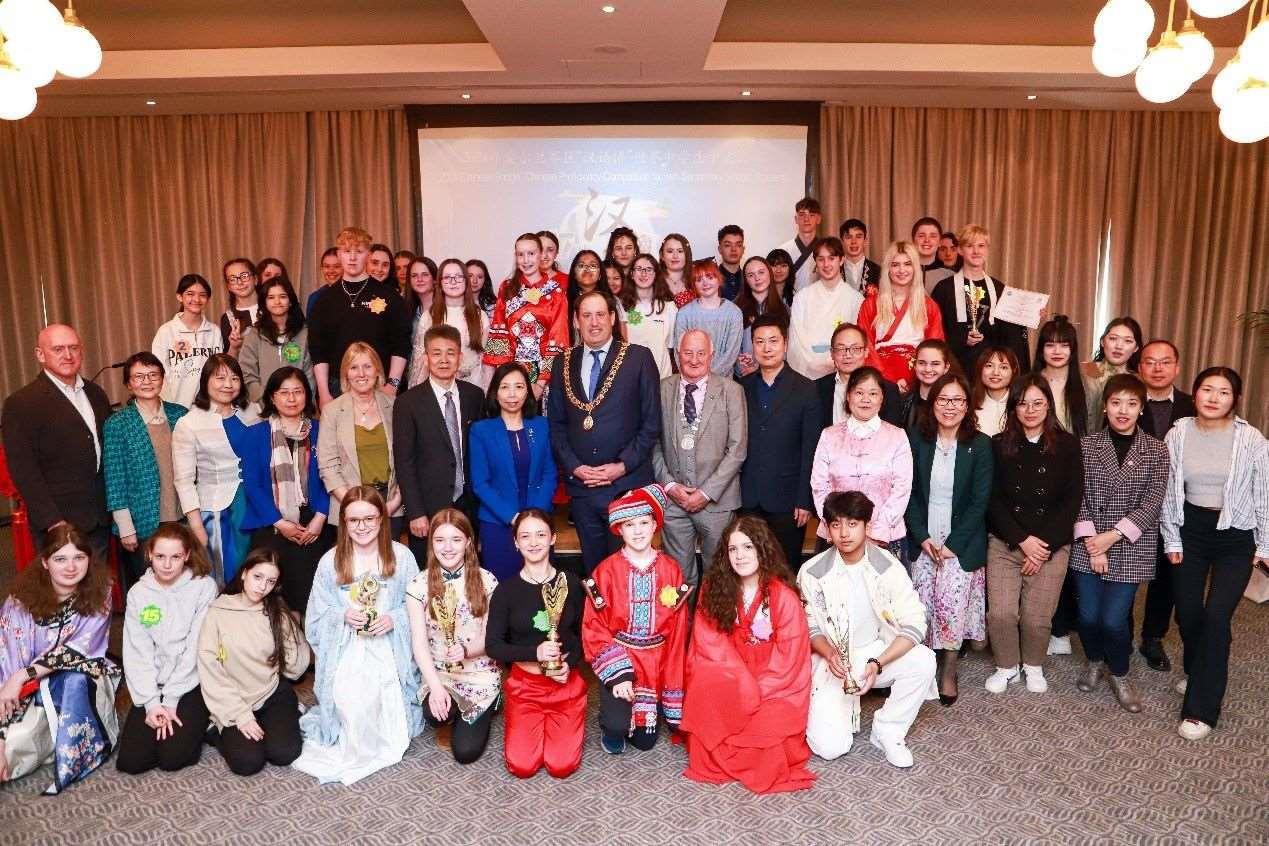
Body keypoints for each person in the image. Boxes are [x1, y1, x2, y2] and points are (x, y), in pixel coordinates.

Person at [1161, 367, 1268, 741]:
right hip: (1190, 529)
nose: (1213, 397)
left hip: (1236, 534)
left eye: (1223, 392)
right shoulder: (1178, 433)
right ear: (1195, 393)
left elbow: (1264, 493)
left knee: (1217, 616)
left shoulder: (1251, 439)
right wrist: (1172, 540)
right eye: (1207, 389)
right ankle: (1198, 670)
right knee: (1189, 612)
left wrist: (1265, 545)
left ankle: (1200, 709)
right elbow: (1168, 491)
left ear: (1235, 399)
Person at [292, 487, 422, 784]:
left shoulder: (401, 557)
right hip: (346, 648)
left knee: (382, 705)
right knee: (350, 701)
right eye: (353, 520)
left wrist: (393, 619)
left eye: (369, 519)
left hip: (389, 648)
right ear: (344, 522)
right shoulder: (330, 561)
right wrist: (342, 616)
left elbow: (418, 607)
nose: (362, 527)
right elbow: (316, 615)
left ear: (381, 519)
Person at [799, 491, 937, 768]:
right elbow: (809, 626)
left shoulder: (888, 566)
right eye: (836, 525)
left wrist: (878, 662)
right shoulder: (812, 571)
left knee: (924, 660)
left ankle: (888, 730)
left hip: (875, 652)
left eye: (852, 524)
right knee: (830, 748)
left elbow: (915, 622)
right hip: (833, 661)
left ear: (867, 526)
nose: (844, 533)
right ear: (827, 529)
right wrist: (829, 654)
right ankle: (829, 708)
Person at [681, 516, 815, 793]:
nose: (739, 555)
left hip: (774, 685)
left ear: (762, 549)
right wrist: (741, 685)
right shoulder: (713, 589)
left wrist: (757, 690)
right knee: (706, 692)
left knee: (766, 747)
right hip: (729, 676)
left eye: (748, 547)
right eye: (733, 549)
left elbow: (790, 658)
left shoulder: (783, 596)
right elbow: (709, 643)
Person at [1070, 374, 1169, 713]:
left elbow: (1152, 503)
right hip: (1087, 543)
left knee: (1113, 620)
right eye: (1116, 403)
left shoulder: (1156, 450)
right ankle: (1094, 659)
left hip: (1129, 546)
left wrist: (1110, 537)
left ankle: (1120, 672)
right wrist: (1092, 542)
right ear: (1105, 407)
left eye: (1131, 403)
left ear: (1141, 408)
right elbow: (1077, 496)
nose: (1123, 410)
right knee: (1087, 617)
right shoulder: (1086, 446)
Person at [548, 290, 661, 574]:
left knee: (629, 571)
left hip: (626, 486)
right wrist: (575, 468)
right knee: (595, 573)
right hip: (583, 488)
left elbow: (651, 424)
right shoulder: (563, 362)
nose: (594, 322)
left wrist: (621, 466)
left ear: (612, 318)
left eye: (600, 314)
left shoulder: (638, 358)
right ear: (576, 321)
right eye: (586, 315)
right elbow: (556, 425)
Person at [0, 526, 119, 792]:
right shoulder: (19, 603)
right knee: (11, 742)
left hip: (80, 679)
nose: (71, 567)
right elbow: (7, 667)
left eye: (79, 557)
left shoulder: (102, 590)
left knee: (74, 682)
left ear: (89, 559)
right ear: (45, 562)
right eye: (60, 559)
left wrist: (23, 675)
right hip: (26, 690)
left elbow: (80, 649)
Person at [984, 375, 1083, 695]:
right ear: (1013, 408)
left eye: (1038, 403)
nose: (1030, 410)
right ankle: (1006, 666)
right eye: (1023, 403)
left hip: (1050, 544)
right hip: (1006, 540)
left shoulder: (1068, 445)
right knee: (1001, 613)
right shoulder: (998, 444)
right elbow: (993, 499)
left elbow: (1072, 500)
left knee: (1036, 617)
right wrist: (1022, 541)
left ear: (1049, 406)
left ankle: (1033, 665)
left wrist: (1042, 546)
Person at [906, 374, 993, 706]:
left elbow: (980, 501)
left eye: (957, 400)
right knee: (923, 605)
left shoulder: (980, 445)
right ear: (932, 403)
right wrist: (922, 536)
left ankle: (949, 668)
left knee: (952, 607)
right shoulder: (917, 439)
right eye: (943, 399)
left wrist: (954, 544)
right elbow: (909, 493)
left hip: (961, 542)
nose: (949, 407)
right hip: (925, 538)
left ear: (967, 405)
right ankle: (924, 665)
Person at [582, 486, 690, 754]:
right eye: (630, 524)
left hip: (656, 661)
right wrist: (619, 675)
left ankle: (651, 705)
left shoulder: (671, 569)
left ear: (655, 525)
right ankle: (611, 713)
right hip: (621, 655)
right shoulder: (605, 571)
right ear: (619, 529)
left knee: (644, 742)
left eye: (644, 523)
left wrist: (673, 684)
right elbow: (594, 627)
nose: (638, 531)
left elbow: (677, 632)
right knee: (616, 727)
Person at [485, 509, 586, 778]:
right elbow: (494, 646)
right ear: (516, 542)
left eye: (541, 534)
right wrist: (535, 653)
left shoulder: (571, 583)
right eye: (525, 536)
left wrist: (569, 663)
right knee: (522, 766)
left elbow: (583, 636)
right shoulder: (506, 591)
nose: (533, 542)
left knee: (561, 766)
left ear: (553, 538)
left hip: (564, 685)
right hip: (525, 687)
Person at [197, 547, 310, 776]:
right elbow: (210, 669)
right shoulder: (218, 611)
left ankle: (288, 713)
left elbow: (296, 670)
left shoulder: (275, 611)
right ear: (244, 573)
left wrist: (288, 624)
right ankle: (215, 729)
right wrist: (241, 715)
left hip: (271, 693)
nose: (262, 586)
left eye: (270, 581)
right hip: (233, 697)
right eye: (257, 577)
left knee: (283, 753)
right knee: (248, 762)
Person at [116, 524, 218, 775]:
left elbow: (195, 648)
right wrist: (152, 704)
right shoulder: (138, 593)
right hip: (153, 684)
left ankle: (206, 721)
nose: (167, 565)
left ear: (187, 555)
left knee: (172, 758)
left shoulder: (204, 587)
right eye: (160, 556)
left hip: (191, 682)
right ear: (149, 554)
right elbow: (137, 652)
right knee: (132, 762)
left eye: (176, 557)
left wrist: (171, 700)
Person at [3, 323, 112, 553]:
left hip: (100, 519)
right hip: (58, 524)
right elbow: (24, 470)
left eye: (73, 347)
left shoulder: (96, 394)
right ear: (40, 354)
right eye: (58, 349)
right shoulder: (21, 404)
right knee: (63, 578)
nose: (68, 355)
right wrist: (52, 521)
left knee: (99, 577)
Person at [405, 509, 500, 763]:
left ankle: (492, 702)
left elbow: (492, 636)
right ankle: (450, 708)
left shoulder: (487, 581)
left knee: (465, 752)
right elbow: (419, 643)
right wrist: (436, 688)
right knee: (434, 715)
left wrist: (467, 650)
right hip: (440, 673)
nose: (448, 548)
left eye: (456, 539)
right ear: (431, 543)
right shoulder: (418, 585)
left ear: (468, 542)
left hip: (478, 672)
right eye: (440, 540)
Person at [653, 330, 747, 583]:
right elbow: (653, 444)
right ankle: (684, 613)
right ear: (677, 354)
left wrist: (705, 493)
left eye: (701, 353)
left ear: (711, 356)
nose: (694, 360)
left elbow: (737, 449)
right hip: (674, 502)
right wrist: (670, 486)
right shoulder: (661, 389)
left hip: (717, 502)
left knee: (719, 578)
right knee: (678, 579)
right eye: (688, 353)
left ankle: (712, 613)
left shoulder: (732, 391)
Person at [238, 367, 332, 615]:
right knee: (270, 599)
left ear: (307, 395)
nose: (291, 399)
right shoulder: (255, 434)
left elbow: (331, 476)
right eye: (284, 392)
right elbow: (253, 484)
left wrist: (320, 517)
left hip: (314, 524)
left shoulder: (322, 430)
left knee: (312, 597)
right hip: (270, 522)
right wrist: (280, 523)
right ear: (272, 397)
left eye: (298, 392)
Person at [395, 325, 487, 563]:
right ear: (426, 358)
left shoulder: (475, 396)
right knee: (429, 573)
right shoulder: (408, 403)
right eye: (436, 353)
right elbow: (404, 462)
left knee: (469, 570)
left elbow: (481, 453)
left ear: (460, 357)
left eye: (450, 353)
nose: (444, 360)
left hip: (469, 505)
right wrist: (415, 511)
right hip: (427, 508)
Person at [738, 315, 820, 570]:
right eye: (759, 341)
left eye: (773, 341)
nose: (767, 348)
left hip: (788, 500)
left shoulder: (806, 389)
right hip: (748, 497)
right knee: (749, 568)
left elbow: (810, 448)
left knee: (785, 569)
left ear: (785, 344)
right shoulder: (741, 387)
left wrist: (804, 499)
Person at [1134, 339, 1196, 671]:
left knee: (1167, 574)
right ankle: (1120, 632)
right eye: (1150, 362)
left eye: (1165, 362)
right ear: (1139, 367)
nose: (1157, 368)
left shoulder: (1193, 405)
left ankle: (1153, 637)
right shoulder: (1127, 400)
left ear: (1177, 367)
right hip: (1132, 502)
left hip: (1178, 504)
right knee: (1125, 570)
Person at [104, 352, 188, 592]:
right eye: (139, 377)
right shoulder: (117, 423)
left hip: (181, 516)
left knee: (183, 584)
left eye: (153, 375)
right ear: (128, 384)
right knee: (149, 589)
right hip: (141, 523)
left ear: (163, 379)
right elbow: (115, 479)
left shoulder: (180, 414)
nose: (147, 381)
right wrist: (125, 527)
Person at [812, 367, 914, 560]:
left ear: (882, 398)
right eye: (859, 393)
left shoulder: (897, 436)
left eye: (873, 393)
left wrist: (876, 532)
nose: (866, 399)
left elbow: (902, 488)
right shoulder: (829, 435)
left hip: (885, 536)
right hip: (836, 536)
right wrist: (839, 527)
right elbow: (819, 486)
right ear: (848, 396)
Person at [172, 354, 256, 586]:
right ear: (205, 380)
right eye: (220, 378)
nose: (228, 384)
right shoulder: (189, 423)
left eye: (234, 378)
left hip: (255, 503)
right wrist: (196, 525)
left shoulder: (252, 413)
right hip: (219, 509)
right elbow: (183, 480)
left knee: (256, 569)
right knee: (225, 574)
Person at [469, 363, 558, 580]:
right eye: (505, 387)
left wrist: (535, 516)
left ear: (527, 391)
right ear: (495, 392)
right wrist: (513, 517)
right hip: (498, 524)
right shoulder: (481, 430)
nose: (512, 394)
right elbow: (480, 483)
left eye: (518, 387)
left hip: (539, 524)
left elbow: (549, 474)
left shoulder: (541, 425)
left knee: (540, 586)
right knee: (502, 587)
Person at [308, 226, 412, 407]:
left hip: (380, 385)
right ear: (339, 255)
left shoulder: (390, 297)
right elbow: (318, 350)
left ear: (368, 255)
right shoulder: (324, 301)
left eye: (359, 251)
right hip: (337, 387)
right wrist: (323, 392)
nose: (352, 257)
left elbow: (401, 344)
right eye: (347, 251)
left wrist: (393, 385)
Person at [1033, 316, 1087, 654]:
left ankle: (1061, 627)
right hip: (1034, 473)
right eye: (1050, 344)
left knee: (1064, 549)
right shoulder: (1030, 382)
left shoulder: (1086, 387)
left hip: (1071, 473)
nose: (1056, 351)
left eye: (1064, 344)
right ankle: (1035, 623)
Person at [316, 343, 403, 533]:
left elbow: (408, 459)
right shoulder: (332, 411)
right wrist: (356, 506)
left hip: (391, 506)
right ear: (345, 374)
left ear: (377, 371)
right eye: (354, 367)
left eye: (367, 366)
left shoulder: (396, 406)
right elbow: (328, 466)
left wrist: (396, 501)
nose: (361, 374)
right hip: (349, 508)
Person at [930, 224, 1031, 376]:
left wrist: (1030, 314)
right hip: (954, 371)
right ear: (960, 250)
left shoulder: (1000, 289)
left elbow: (1011, 335)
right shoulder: (944, 289)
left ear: (987, 249)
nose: (976, 251)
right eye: (970, 246)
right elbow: (934, 331)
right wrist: (961, 340)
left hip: (992, 373)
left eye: (981, 246)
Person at [484, 232, 570, 399]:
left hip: (546, 378)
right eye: (520, 254)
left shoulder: (556, 292)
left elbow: (559, 338)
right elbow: (499, 335)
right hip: (512, 375)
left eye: (531, 253)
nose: (526, 260)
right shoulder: (507, 288)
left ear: (540, 255)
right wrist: (506, 377)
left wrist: (540, 384)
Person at [858, 241, 945, 391]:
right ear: (888, 269)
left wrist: (918, 379)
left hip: (919, 377)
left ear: (915, 268)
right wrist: (886, 380)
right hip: (880, 379)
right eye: (895, 265)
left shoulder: (929, 306)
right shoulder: (871, 304)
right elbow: (865, 346)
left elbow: (936, 348)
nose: (901, 270)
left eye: (907, 264)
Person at [787, 237, 864, 380]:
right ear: (815, 262)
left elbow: (858, 342)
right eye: (821, 259)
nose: (826, 264)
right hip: (807, 375)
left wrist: (836, 360)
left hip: (844, 373)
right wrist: (816, 364)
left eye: (831, 258)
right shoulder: (802, 297)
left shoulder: (856, 300)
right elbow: (796, 343)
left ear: (841, 260)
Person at [409, 258, 490, 389]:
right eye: (447, 277)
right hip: (438, 386)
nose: (453, 282)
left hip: (473, 385)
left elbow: (485, 360)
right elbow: (420, 360)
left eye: (458, 277)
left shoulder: (480, 316)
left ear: (466, 281)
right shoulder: (429, 316)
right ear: (440, 283)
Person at [152, 274, 224, 408]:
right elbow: (158, 372)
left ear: (208, 299)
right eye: (190, 294)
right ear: (180, 296)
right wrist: (169, 407)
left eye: (202, 295)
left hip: (210, 406)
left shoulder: (214, 331)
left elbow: (219, 370)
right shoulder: (166, 331)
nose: (196, 299)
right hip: (175, 406)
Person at [240, 276, 313, 405]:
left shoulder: (305, 333)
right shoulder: (255, 334)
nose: (277, 301)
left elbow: (310, 374)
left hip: (298, 405)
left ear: (290, 301)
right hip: (263, 406)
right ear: (264, 303)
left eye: (283, 296)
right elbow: (246, 372)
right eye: (271, 297)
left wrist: (302, 401)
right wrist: (266, 399)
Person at [815, 322, 903, 429]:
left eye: (856, 349)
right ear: (832, 353)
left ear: (866, 352)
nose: (848, 355)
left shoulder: (888, 390)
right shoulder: (815, 389)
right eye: (841, 349)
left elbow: (892, 433)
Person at [671, 260, 744, 376]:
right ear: (694, 284)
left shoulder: (734, 313)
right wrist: (694, 377)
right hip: (691, 380)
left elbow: (731, 353)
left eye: (710, 277)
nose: (705, 283)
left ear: (719, 279)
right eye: (699, 280)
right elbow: (679, 351)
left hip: (723, 381)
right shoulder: (684, 313)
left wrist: (709, 378)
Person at [621, 252, 679, 379]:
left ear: (656, 274)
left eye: (648, 269)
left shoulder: (669, 307)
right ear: (632, 274)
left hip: (662, 376)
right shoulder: (622, 307)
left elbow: (670, 346)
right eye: (639, 269)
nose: (644, 274)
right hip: (630, 376)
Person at [1081, 317, 1143, 433]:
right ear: (1102, 341)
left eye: (1128, 341)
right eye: (1113, 338)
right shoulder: (1087, 369)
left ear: (1136, 348)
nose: (1119, 346)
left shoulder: (1138, 379)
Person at [734, 256, 790, 378]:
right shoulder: (736, 309)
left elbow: (788, 345)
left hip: (777, 376)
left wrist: (763, 369)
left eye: (761, 272)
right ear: (745, 280)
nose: (757, 278)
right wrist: (744, 369)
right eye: (751, 275)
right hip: (745, 376)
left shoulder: (783, 309)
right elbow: (733, 348)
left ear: (769, 273)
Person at [896, 339, 957, 431]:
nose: (928, 369)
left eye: (935, 364)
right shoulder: (903, 402)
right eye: (922, 363)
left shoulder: (955, 404)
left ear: (946, 367)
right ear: (914, 365)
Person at [403, 256, 438, 389]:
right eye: (414, 275)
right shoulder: (406, 311)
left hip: (439, 378)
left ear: (434, 279)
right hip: (412, 380)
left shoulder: (445, 310)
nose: (419, 279)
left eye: (425, 275)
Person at [971, 346, 1020, 438]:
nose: (996, 373)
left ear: (1014, 370)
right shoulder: (969, 402)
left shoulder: (1022, 402)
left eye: (1003, 367)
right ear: (980, 368)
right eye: (989, 366)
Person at [778, 196, 822, 295]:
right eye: (802, 215)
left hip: (819, 302)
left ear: (818, 219)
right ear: (796, 219)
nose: (806, 219)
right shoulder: (783, 251)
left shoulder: (826, 251)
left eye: (811, 215)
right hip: (791, 302)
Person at [219, 257, 260, 358]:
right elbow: (229, 361)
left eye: (244, 276)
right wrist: (234, 347)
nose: (240, 282)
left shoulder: (271, 308)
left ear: (255, 279)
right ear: (228, 286)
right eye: (233, 279)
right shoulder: (228, 318)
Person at [838, 218, 880, 296]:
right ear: (841, 242)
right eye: (848, 237)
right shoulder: (834, 271)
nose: (854, 242)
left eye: (858, 237)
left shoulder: (878, 272)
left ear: (865, 241)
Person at [660, 233, 696, 308]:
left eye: (680, 251)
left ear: (687, 255)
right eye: (670, 251)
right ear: (662, 255)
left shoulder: (697, 280)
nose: (675, 256)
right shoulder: (652, 281)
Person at [306, 246, 344, 316]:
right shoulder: (315, 297)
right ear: (322, 269)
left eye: (337, 266)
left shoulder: (355, 295)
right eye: (327, 266)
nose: (331, 271)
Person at [716, 224, 745, 301]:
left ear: (743, 249)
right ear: (719, 249)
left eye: (738, 245)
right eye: (728, 245)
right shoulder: (710, 279)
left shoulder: (749, 279)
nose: (733, 249)